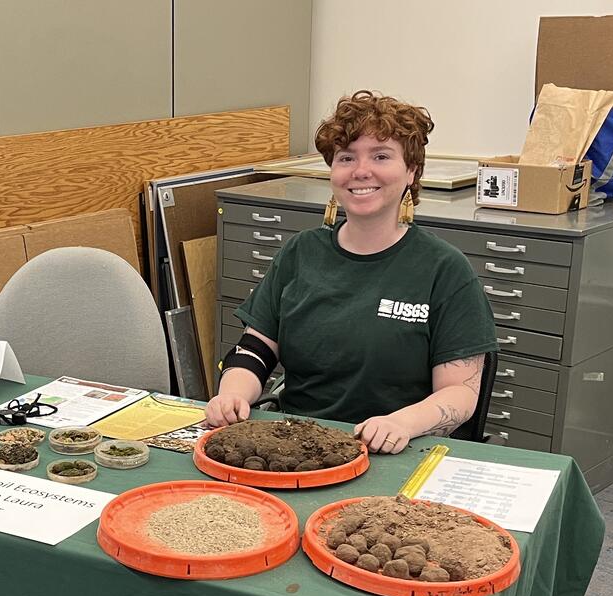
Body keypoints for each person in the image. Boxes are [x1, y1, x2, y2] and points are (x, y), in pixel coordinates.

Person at [204, 91, 496, 454]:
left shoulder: (444, 269)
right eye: (346, 157)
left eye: (381, 156)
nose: (361, 170)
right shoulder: (300, 253)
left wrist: (402, 423)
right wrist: (232, 395)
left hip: (397, 449)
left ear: (412, 171)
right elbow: (255, 349)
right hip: (298, 447)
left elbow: (461, 392)